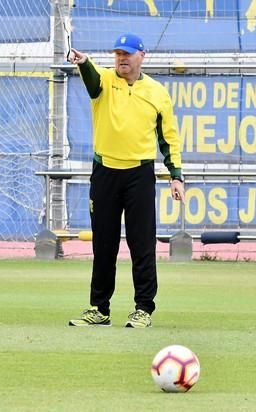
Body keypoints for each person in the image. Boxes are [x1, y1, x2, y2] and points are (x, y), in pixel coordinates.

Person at [67, 33, 185, 328]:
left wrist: (176, 175)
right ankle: (100, 308)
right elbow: (92, 77)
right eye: (118, 53)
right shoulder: (104, 80)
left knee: (141, 244)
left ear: (141, 56)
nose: (121, 58)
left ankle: (143, 308)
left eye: (128, 53)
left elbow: (168, 137)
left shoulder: (157, 92)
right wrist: (83, 63)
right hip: (105, 171)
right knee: (103, 245)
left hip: (139, 175)